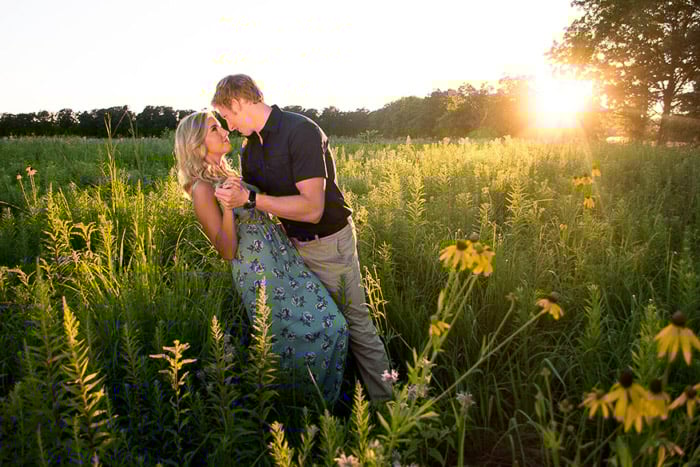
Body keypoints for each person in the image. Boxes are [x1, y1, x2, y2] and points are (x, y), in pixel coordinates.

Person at [210, 74, 393, 401]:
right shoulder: (249, 150)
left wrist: (249, 200)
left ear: (239, 102)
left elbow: (312, 209)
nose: (228, 124)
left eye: (227, 115)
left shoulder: (301, 131)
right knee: (323, 325)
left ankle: (388, 406)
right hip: (290, 250)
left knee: (357, 326)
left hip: (328, 243)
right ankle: (342, 405)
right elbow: (262, 208)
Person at [173, 111, 348, 404]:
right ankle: (297, 408)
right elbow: (226, 251)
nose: (225, 131)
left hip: (284, 260)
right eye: (215, 128)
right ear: (195, 144)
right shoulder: (202, 189)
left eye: (221, 124)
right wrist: (228, 208)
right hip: (260, 273)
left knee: (334, 325)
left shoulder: (229, 174)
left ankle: (319, 403)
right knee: (306, 334)